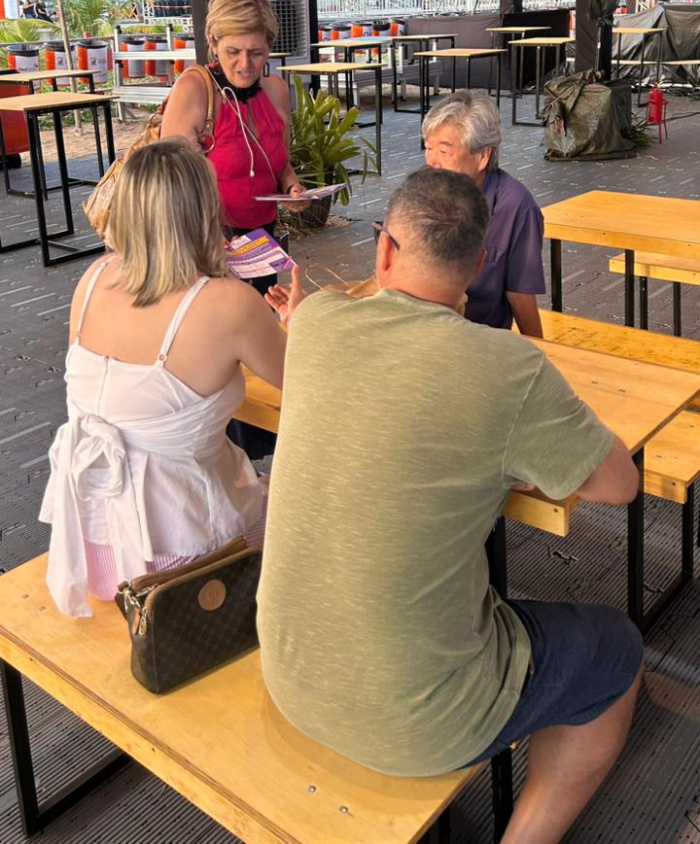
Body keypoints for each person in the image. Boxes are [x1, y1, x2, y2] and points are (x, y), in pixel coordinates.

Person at [259, 167, 643, 844]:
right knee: (616, 651)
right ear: (480, 263)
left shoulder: (315, 321)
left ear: (384, 248)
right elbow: (621, 485)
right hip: (421, 721)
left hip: (289, 671)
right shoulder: (508, 368)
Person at [39, 139, 287, 619]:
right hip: (182, 564)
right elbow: (311, 383)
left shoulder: (93, 278)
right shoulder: (227, 302)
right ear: (204, 211)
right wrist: (301, 321)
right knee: (302, 507)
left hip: (92, 549)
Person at [161, 0, 308, 259]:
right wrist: (208, 234)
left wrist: (291, 187)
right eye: (233, 51)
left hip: (261, 234)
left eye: (256, 53)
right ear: (213, 42)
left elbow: (279, 162)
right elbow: (171, 182)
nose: (245, 64)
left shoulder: (276, 90)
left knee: (264, 289)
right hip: (206, 238)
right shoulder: (194, 90)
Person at [422, 89, 544, 335]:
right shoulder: (420, 191)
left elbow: (520, 295)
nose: (431, 162)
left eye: (444, 152)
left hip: (479, 339)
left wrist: (540, 352)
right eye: (428, 148)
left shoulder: (515, 205)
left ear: (482, 156)